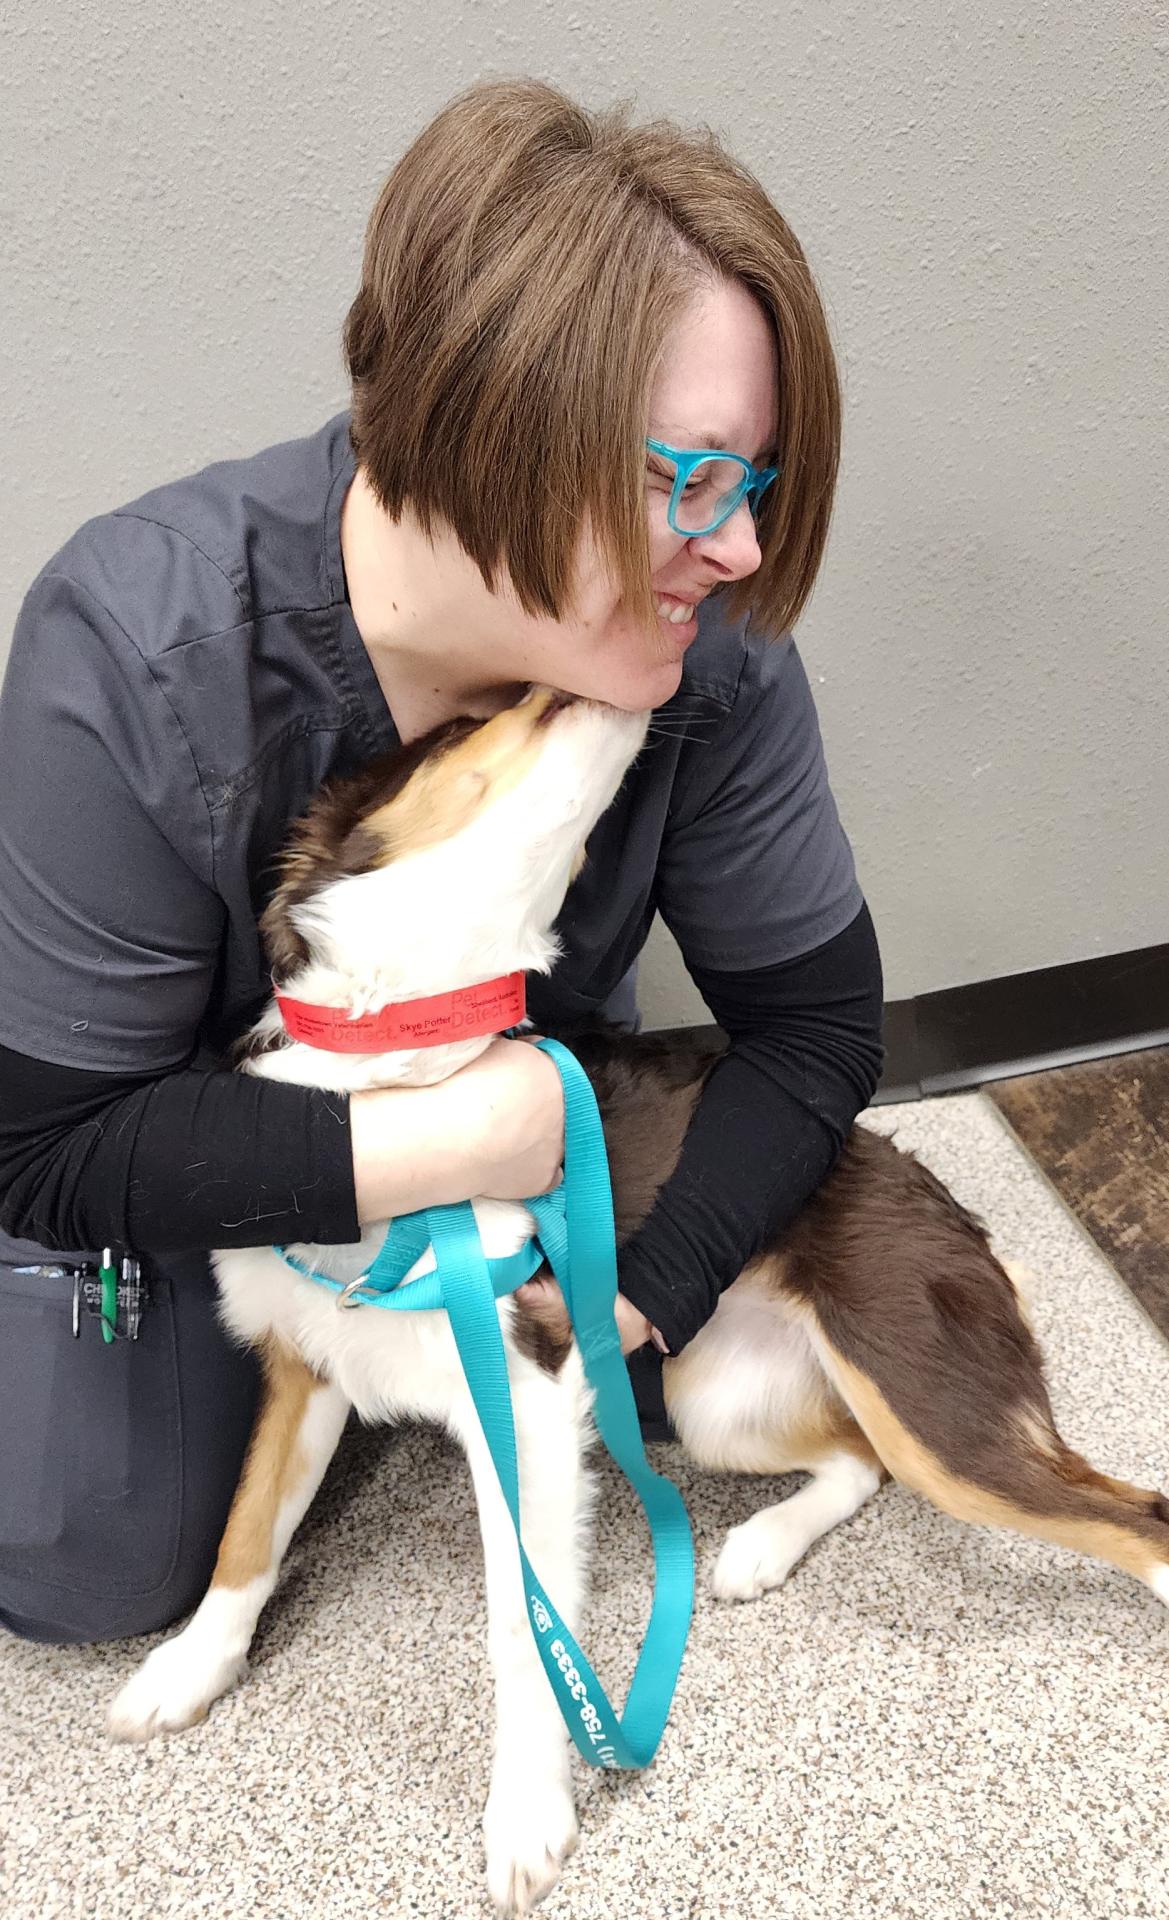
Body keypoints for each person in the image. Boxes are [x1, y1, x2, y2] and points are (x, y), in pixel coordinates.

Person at [0, 77, 883, 1646]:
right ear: (497, 434)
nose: (737, 549)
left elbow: (817, 1032)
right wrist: (477, 1138)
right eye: (691, 476)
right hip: (153, 1133)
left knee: (682, 1390)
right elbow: (51, 1150)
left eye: (748, 485)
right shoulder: (132, 648)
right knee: (96, 1566)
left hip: (494, 1158)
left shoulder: (707, 666)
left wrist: (633, 1304)